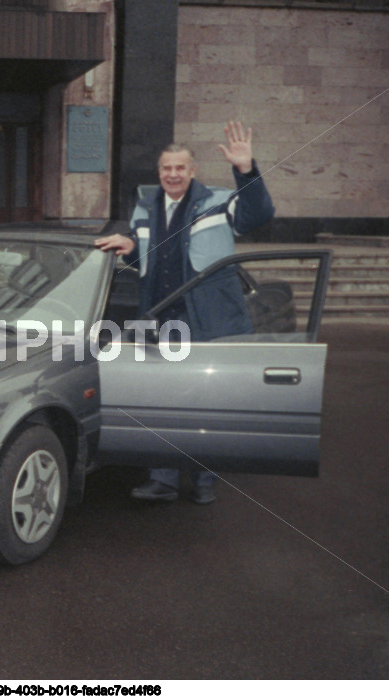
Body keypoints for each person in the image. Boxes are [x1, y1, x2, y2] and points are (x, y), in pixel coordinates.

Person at [94, 120, 275, 504]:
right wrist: (129, 241)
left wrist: (246, 169)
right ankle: (164, 479)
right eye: (166, 168)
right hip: (160, 320)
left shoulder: (217, 201)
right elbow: (149, 253)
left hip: (206, 320)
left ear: (193, 171)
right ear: (159, 173)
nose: (173, 174)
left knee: (203, 402)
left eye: (180, 168)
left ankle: (204, 478)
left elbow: (256, 215)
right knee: (162, 401)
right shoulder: (144, 208)